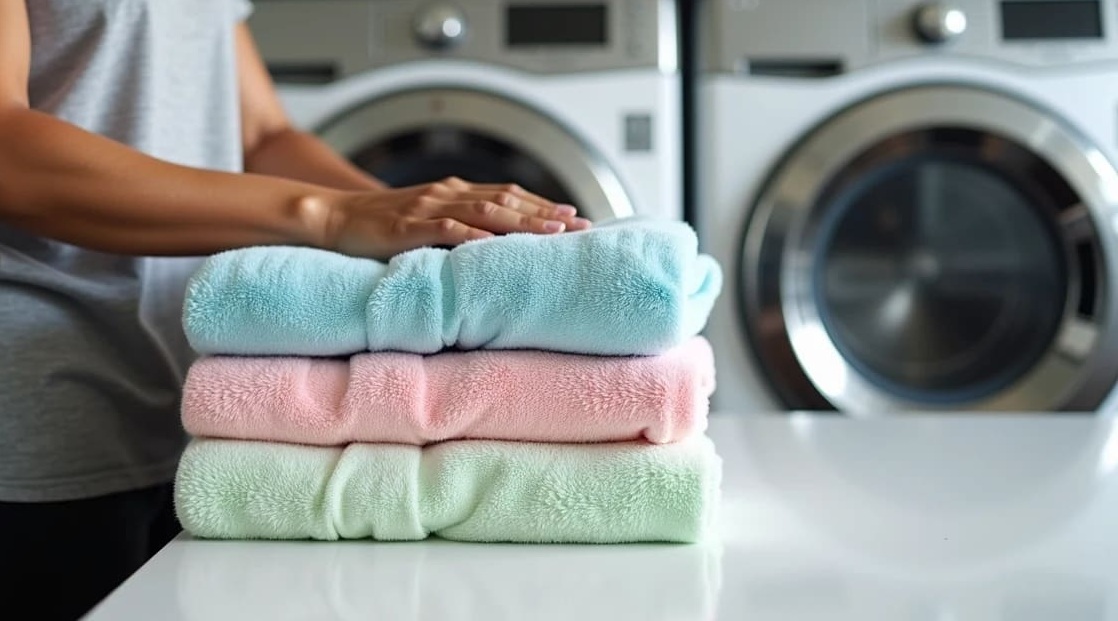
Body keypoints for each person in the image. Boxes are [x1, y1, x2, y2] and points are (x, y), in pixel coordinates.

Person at [0, 2, 590, 618]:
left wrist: (429, 224)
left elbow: (261, 136)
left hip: (193, 411)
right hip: (41, 413)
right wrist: (330, 215)